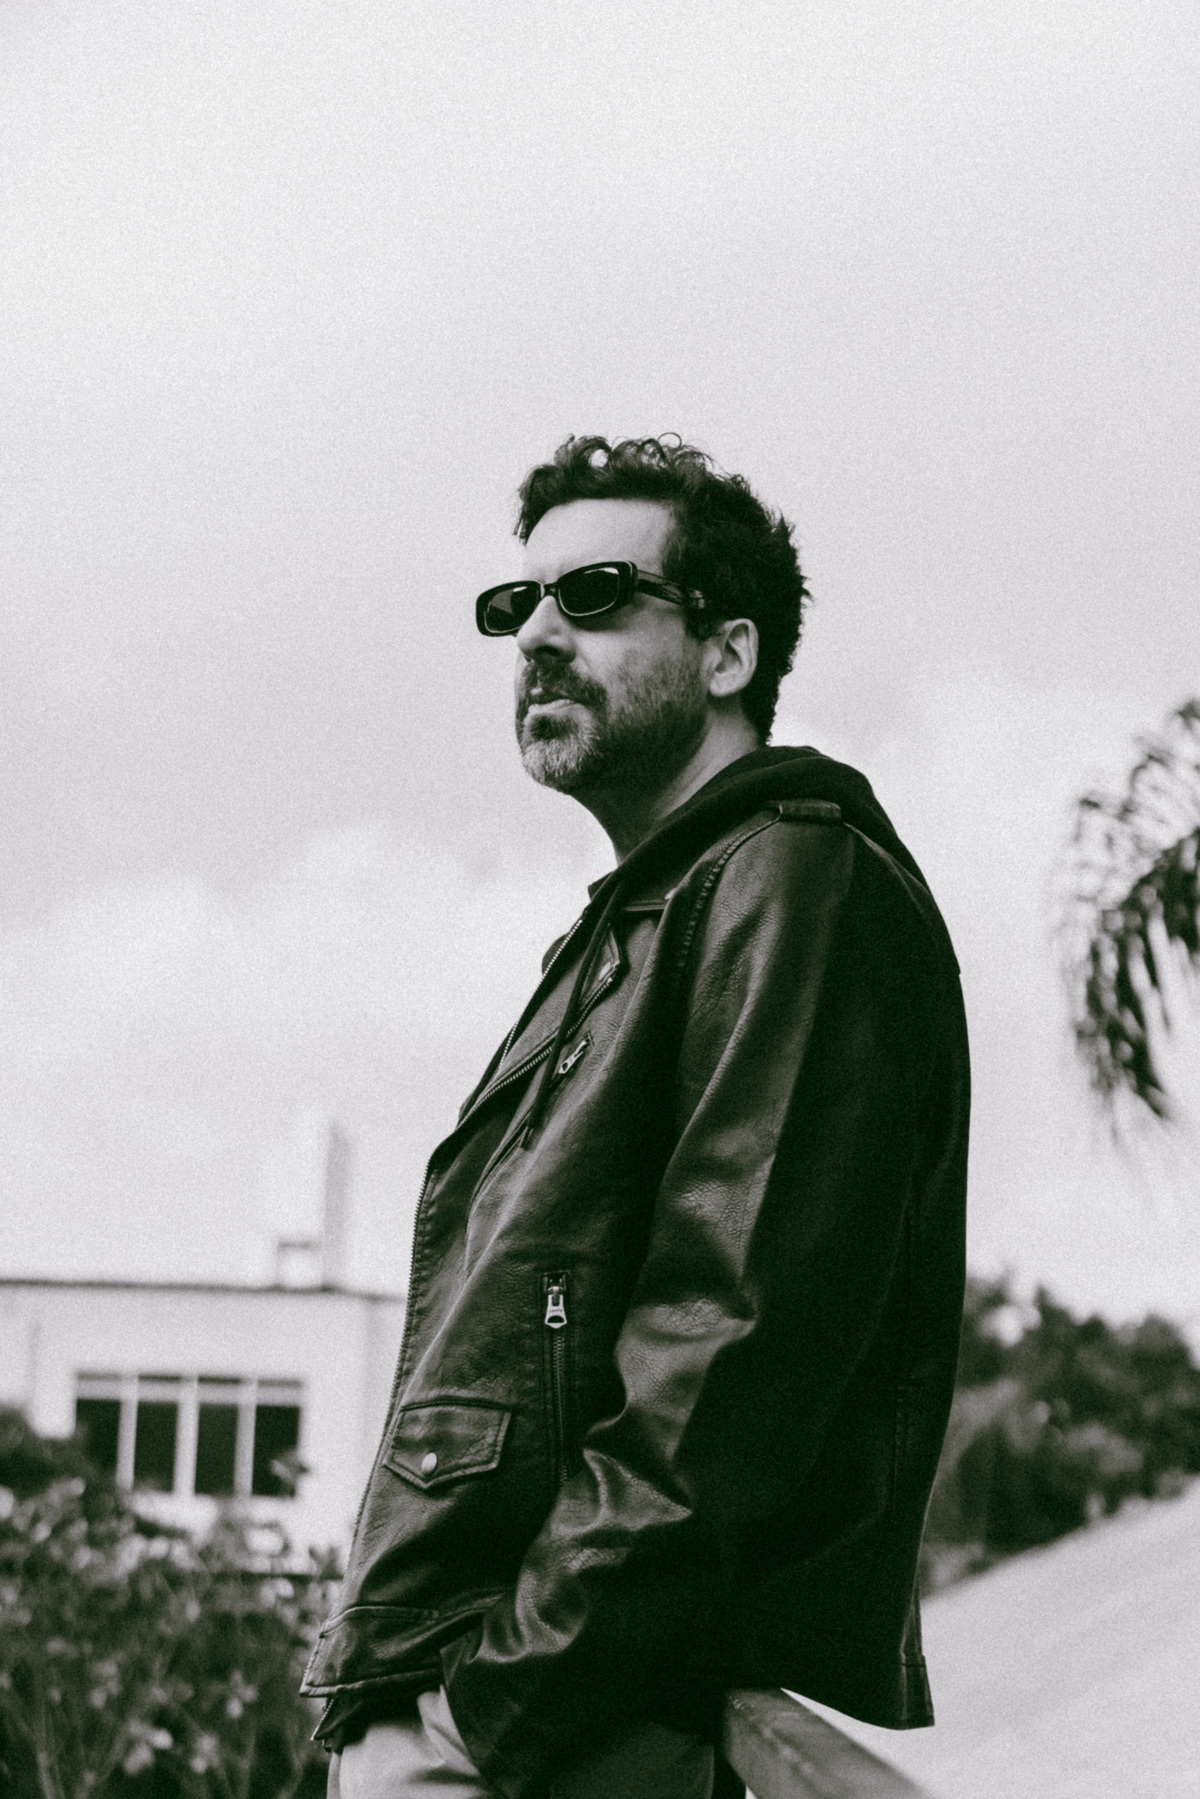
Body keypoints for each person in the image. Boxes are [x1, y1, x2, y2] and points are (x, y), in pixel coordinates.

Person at [302, 436, 970, 1799]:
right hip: (494, 1698)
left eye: (597, 595)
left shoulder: (792, 879)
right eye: (519, 604)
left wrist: (488, 1712)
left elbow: (728, 1356)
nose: (539, 636)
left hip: (553, 1726)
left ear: (728, 653)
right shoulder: (646, 918)